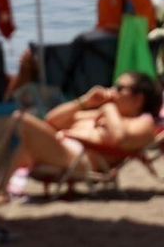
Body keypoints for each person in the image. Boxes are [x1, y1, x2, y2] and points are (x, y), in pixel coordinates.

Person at [12, 73, 160, 180]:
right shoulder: (102, 114)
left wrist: (109, 108)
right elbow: (52, 121)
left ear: (138, 99)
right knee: (10, 129)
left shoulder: (143, 122)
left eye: (119, 88)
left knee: (20, 120)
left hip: (77, 160)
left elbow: (120, 139)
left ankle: (2, 193)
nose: (112, 91)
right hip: (62, 149)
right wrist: (84, 102)